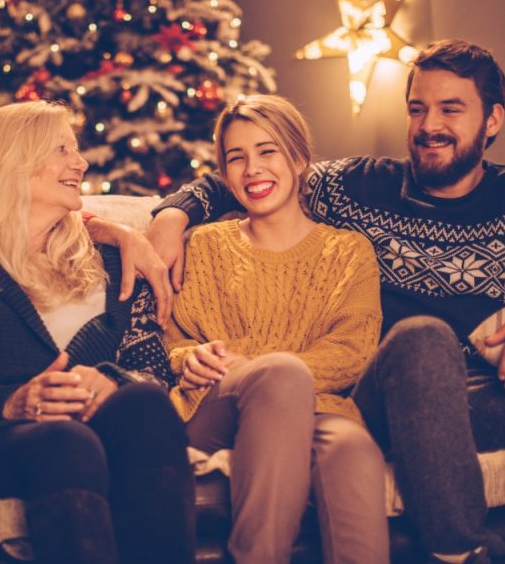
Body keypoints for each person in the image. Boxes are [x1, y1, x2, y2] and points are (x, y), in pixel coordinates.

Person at [147, 40, 505, 564]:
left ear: (492, 120)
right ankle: (460, 550)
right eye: (418, 109)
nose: (429, 124)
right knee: (422, 334)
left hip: (504, 394)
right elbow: (253, 173)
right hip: (402, 395)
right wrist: (171, 215)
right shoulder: (357, 186)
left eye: (450, 109)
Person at [0, 100, 195, 564]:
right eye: (62, 149)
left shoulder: (114, 263)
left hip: (106, 426)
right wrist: (11, 402)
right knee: (65, 441)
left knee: (144, 402)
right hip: (7, 437)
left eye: (77, 149)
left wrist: (113, 381)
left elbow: (153, 369)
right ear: (12, 162)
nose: (81, 162)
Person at [164, 95, 388, 564]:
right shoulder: (206, 244)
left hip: (318, 409)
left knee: (353, 447)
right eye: (236, 158)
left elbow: (352, 350)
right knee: (281, 374)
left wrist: (268, 367)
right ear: (224, 175)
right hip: (215, 404)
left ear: (299, 158)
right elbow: (175, 339)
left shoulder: (349, 253)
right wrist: (189, 359)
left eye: (267, 151)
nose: (252, 170)